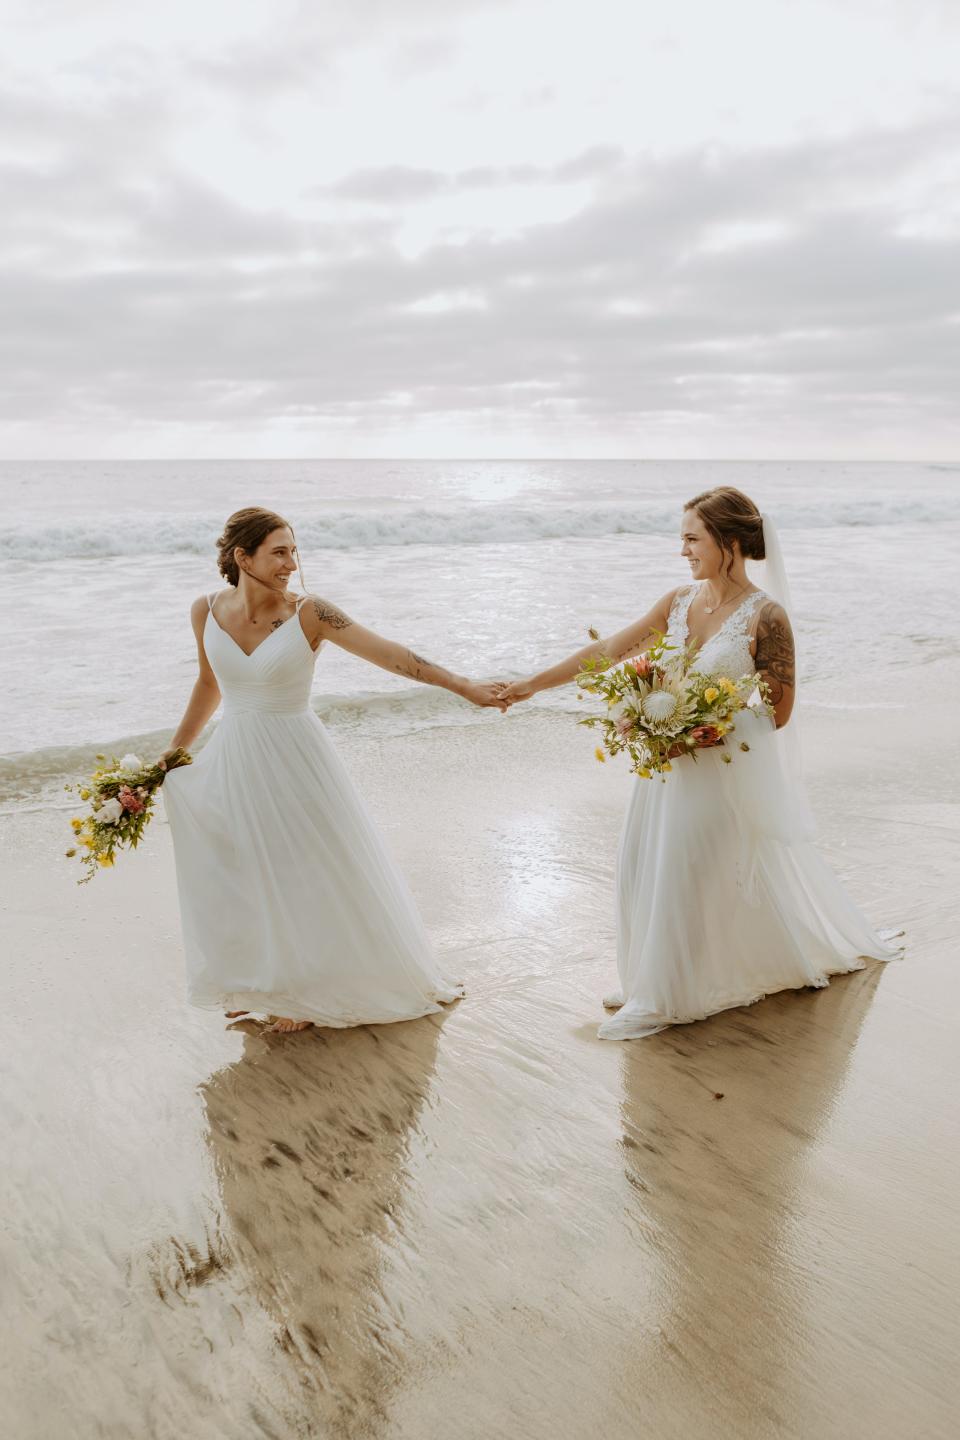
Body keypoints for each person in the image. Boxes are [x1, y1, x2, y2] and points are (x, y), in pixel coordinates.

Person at [498, 486, 901, 1040]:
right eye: (682, 537)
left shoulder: (767, 617)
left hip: (719, 770)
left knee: (689, 871)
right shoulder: (677, 603)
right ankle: (649, 978)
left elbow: (778, 712)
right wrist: (530, 685)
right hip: (663, 770)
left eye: (692, 537)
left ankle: (671, 993)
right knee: (646, 865)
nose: (682, 549)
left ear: (728, 542)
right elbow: (610, 651)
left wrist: (701, 727)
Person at [160, 506, 506, 1034]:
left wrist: (463, 687)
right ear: (242, 557)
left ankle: (303, 995)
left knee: (303, 868)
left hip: (294, 755)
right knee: (243, 864)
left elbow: (390, 655)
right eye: (280, 552)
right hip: (235, 752)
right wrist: (174, 753)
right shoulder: (204, 611)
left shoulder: (310, 613)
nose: (292, 564)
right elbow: (209, 684)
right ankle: (260, 979)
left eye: (294, 551)